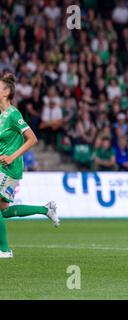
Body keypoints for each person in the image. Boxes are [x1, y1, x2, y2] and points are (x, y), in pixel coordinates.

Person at [0, 73, 59, 259]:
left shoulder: (13, 114)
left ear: (6, 92)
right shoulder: (1, 116)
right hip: (3, 166)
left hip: (10, 167)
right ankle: (46, 209)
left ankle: (5, 250)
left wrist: (12, 156)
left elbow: (32, 138)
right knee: (5, 211)